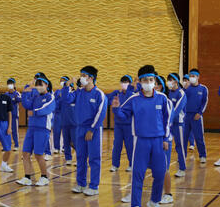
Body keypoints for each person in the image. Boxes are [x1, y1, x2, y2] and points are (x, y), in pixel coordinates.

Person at [111, 65, 171, 207]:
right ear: (140, 82)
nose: (149, 83)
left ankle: (154, 202)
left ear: (155, 81)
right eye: (145, 80)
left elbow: (167, 119)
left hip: (158, 141)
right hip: (140, 141)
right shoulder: (134, 99)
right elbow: (123, 115)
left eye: (151, 80)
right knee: (138, 174)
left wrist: (166, 138)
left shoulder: (162, 98)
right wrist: (116, 109)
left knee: (160, 173)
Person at [66, 66, 107, 196]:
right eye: (81, 75)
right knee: (80, 157)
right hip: (79, 129)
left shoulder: (99, 94)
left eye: (84, 75)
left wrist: (92, 129)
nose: (81, 78)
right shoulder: (79, 92)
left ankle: (94, 186)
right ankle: (81, 184)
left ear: (91, 78)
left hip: (93, 130)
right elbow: (67, 99)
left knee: (94, 158)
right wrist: (67, 86)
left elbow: (101, 114)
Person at [17, 76, 56, 186]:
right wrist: (25, 92)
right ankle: (27, 177)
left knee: (38, 154)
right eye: (37, 85)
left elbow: (47, 108)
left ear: (46, 85)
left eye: (41, 84)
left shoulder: (50, 97)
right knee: (25, 153)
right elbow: (26, 105)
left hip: (42, 129)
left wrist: (35, 112)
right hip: (31, 128)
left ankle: (44, 177)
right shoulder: (35, 97)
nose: (39, 87)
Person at [106, 75, 136, 172]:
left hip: (129, 125)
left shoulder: (133, 95)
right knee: (117, 145)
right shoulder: (117, 94)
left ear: (130, 83)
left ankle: (132, 164)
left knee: (129, 145)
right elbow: (106, 100)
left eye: (126, 82)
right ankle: (115, 165)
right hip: (118, 125)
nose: (124, 84)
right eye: (122, 82)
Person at [183, 68, 208, 164]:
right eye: (190, 76)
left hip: (196, 116)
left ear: (198, 77)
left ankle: (202, 155)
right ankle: (182, 156)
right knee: (184, 138)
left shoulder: (203, 88)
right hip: (186, 116)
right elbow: (181, 99)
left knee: (199, 137)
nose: (191, 78)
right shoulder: (186, 88)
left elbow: (204, 102)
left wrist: (200, 113)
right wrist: (184, 89)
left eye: (193, 76)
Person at [6, 78, 22, 150]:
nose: (10, 85)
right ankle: (6, 145)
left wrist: (16, 97)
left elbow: (20, 100)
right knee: (6, 130)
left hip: (14, 115)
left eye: (11, 84)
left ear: (14, 85)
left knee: (14, 131)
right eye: (8, 84)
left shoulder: (17, 93)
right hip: (6, 116)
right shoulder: (6, 94)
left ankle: (16, 145)